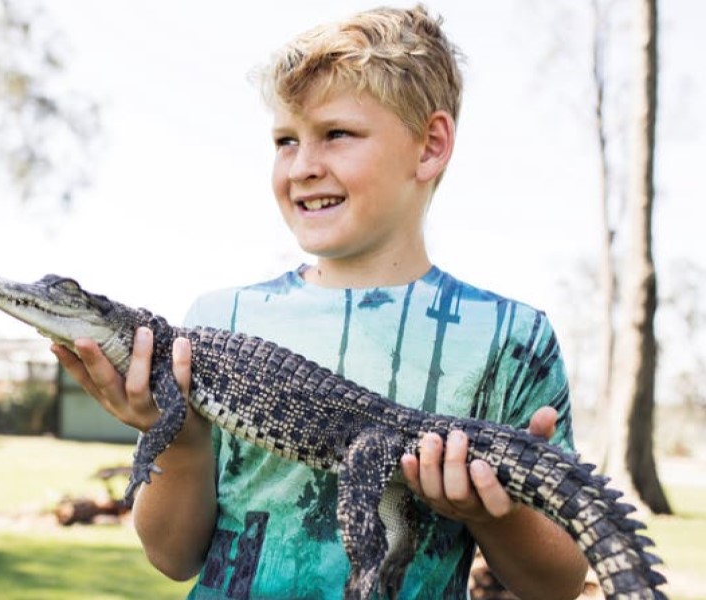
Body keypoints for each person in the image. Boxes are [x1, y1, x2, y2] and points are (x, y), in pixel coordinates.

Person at [52, 5, 589, 599]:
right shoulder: (211, 322)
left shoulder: (512, 339)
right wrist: (174, 438)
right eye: (286, 140)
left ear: (430, 146)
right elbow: (173, 556)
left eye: (336, 133)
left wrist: (491, 511)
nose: (304, 166)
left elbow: (558, 583)